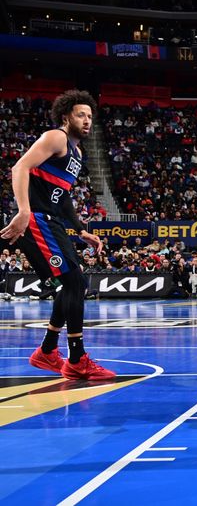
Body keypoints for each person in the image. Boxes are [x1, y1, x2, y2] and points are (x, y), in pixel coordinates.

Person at [0, 90, 114, 380]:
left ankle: (48, 352)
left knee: (71, 284)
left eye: (90, 116)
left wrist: (81, 231)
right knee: (75, 282)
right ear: (66, 116)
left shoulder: (76, 152)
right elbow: (20, 167)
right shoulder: (56, 138)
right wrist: (23, 210)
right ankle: (75, 359)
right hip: (37, 219)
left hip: (53, 221)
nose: (87, 120)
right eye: (80, 115)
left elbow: (62, 197)